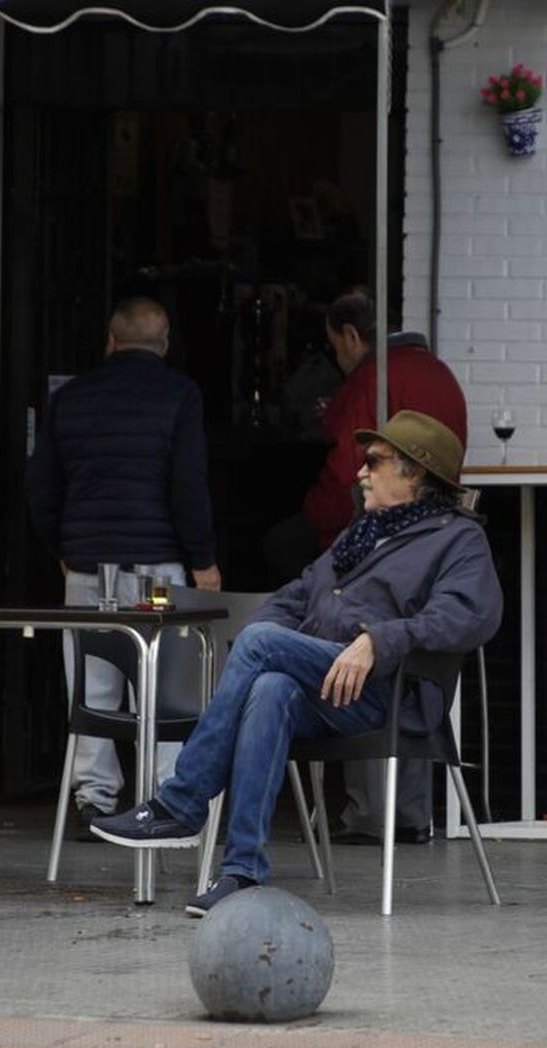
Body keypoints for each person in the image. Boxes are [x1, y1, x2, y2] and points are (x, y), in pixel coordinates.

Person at [91, 410, 502, 917]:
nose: (360, 472)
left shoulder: (459, 538)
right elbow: (295, 597)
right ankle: (242, 872)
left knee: (262, 644)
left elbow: (472, 616)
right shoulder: (362, 533)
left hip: (390, 691)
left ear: (415, 473)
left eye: (374, 461)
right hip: (325, 683)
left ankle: (181, 802)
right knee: (268, 688)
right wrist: (266, 647)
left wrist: (380, 639)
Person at [263, 290, 471, 848]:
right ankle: (406, 813)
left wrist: (317, 532)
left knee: (333, 641)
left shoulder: (372, 379)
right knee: (379, 656)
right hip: (415, 601)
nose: (365, 470)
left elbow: (339, 475)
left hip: (374, 559)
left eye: (336, 348)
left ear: (352, 337)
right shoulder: (442, 375)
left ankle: (366, 814)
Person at [25, 296, 221, 837]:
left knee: (92, 688)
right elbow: (187, 485)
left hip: (88, 566)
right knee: (164, 688)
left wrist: (62, 549)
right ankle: (165, 800)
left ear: (111, 342)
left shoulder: (72, 398)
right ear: (165, 346)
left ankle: (94, 798)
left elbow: (41, 487)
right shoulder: (180, 394)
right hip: (159, 568)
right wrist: (202, 560)